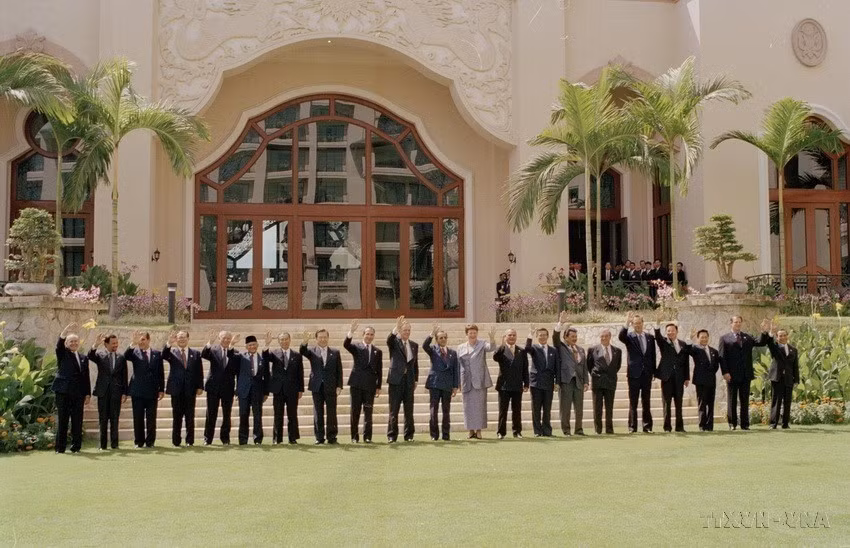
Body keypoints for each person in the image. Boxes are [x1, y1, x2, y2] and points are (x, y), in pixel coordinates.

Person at [718, 316, 769, 430]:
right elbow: (722, 357)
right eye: (736, 322)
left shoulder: (747, 337)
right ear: (731, 323)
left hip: (746, 374)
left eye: (740, 322)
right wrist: (725, 372)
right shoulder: (724, 338)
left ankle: (745, 424)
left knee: (745, 399)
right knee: (732, 400)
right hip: (731, 374)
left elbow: (760, 342)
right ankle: (732, 424)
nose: (738, 324)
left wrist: (764, 331)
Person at [300, 329, 343, 445]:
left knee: (332, 412)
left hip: (331, 386)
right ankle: (319, 437)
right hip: (316, 386)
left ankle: (332, 437)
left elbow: (339, 369)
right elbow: (302, 351)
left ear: (328, 338)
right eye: (320, 337)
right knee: (318, 412)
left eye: (325, 337)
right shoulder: (312, 352)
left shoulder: (335, 352)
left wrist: (339, 386)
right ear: (316, 339)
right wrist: (304, 342)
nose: (323, 339)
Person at [53, 323, 92, 453]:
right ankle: (60, 447)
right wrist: (64, 333)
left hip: (78, 393)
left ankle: (76, 447)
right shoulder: (63, 354)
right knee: (63, 420)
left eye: (76, 341)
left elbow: (86, 377)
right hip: (63, 392)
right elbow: (58, 346)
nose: (74, 343)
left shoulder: (83, 358)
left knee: (77, 421)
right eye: (71, 341)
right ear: (67, 343)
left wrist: (87, 394)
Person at [162, 330, 204, 447]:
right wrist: (169, 343)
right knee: (177, 417)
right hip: (176, 389)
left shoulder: (195, 353)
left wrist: (200, 386)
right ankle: (176, 441)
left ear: (188, 339)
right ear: (176, 339)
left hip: (190, 390)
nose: (181, 339)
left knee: (190, 417)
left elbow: (199, 371)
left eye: (184, 337)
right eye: (179, 337)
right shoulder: (172, 352)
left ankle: (189, 441)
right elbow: (163, 355)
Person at [343, 321, 383, 443]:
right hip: (356, 384)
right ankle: (354, 437)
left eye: (371, 334)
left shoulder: (378, 351)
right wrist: (351, 332)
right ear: (363, 334)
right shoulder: (356, 347)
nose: (369, 336)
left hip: (370, 386)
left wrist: (378, 386)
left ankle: (367, 437)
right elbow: (346, 345)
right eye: (367, 334)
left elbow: (379, 370)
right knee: (355, 411)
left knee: (368, 412)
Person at [125, 331, 165, 448]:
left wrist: (161, 389)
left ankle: (150, 442)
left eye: (143, 339)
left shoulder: (157, 354)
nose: (140, 342)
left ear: (148, 340)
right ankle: (139, 441)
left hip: (152, 391)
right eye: (139, 340)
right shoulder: (134, 353)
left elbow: (160, 372)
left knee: (151, 418)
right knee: (138, 418)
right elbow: (126, 356)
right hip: (137, 391)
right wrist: (132, 343)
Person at [262, 331, 304, 444]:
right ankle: (277, 439)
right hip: (278, 389)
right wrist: (266, 345)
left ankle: (293, 438)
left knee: (292, 415)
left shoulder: (297, 355)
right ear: (279, 341)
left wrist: (301, 389)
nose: (284, 341)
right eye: (282, 340)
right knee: (278, 415)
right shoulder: (274, 353)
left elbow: (300, 373)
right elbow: (264, 358)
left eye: (286, 339)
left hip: (292, 389)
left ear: (290, 340)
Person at [87, 333, 127, 450]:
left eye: (116, 343)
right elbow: (90, 355)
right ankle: (103, 445)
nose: (116, 345)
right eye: (113, 343)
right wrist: (95, 344)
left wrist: (124, 392)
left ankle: (115, 445)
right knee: (103, 419)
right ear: (106, 344)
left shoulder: (121, 357)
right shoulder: (100, 355)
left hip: (116, 392)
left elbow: (124, 376)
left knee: (115, 419)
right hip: (102, 392)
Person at [619, 311, 656, 433]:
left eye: (639, 323)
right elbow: (621, 337)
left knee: (646, 401)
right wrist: (626, 323)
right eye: (635, 324)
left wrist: (653, 372)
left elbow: (652, 356)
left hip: (646, 374)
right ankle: (632, 427)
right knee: (633, 402)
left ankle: (647, 426)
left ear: (643, 323)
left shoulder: (650, 338)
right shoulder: (629, 337)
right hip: (634, 374)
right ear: (632, 324)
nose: (637, 325)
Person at [456, 323, 495, 439]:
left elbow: (491, 348)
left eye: (474, 333)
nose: (472, 335)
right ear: (467, 334)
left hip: (480, 380)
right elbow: (458, 365)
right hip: (466, 380)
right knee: (467, 407)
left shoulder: (482, 344)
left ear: (477, 333)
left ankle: (478, 430)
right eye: (470, 333)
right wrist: (458, 383)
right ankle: (470, 430)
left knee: (480, 407)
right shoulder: (461, 347)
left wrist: (492, 339)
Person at [553, 311, 589, 436]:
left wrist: (586, 381)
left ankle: (579, 430)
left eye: (575, 336)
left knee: (579, 409)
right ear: (566, 337)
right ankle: (566, 430)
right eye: (572, 336)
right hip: (566, 381)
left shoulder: (580, 349)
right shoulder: (561, 347)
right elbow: (555, 337)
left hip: (578, 382)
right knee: (565, 408)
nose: (574, 338)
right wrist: (560, 323)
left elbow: (584, 367)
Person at [423, 324, 460, 441]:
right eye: (440, 338)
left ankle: (446, 434)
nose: (443, 339)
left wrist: (455, 386)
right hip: (435, 383)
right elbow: (424, 346)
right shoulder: (433, 350)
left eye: (445, 337)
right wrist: (430, 335)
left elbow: (455, 370)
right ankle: (434, 435)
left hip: (447, 385)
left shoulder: (453, 353)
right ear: (437, 340)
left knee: (446, 411)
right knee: (433, 410)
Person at [386, 316, 419, 443]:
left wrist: (415, 379)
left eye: (408, 330)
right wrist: (396, 328)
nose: (406, 332)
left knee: (409, 410)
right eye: (404, 330)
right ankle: (391, 435)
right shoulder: (395, 343)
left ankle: (409, 435)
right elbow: (389, 339)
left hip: (409, 381)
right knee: (393, 409)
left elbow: (415, 364)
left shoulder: (414, 345)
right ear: (400, 331)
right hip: (396, 380)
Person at [200, 330, 237, 445]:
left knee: (227, 414)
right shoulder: (213, 350)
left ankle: (225, 438)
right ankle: (208, 438)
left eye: (228, 338)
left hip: (228, 388)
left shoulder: (235, 352)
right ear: (220, 339)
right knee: (211, 414)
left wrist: (231, 347)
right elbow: (204, 355)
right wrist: (210, 342)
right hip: (213, 387)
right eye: (224, 338)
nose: (226, 340)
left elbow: (235, 366)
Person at [653, 323, 691, 432]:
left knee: (679, 403)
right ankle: (667, 427)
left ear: (677, 331)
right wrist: (657, 325)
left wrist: (686, 377)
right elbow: (657, 336)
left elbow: (686, 362)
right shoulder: (664, 342)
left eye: (672, 330)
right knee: (667, 403)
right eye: (668, 331)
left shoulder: (683, 344)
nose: (670, 332)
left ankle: (679, 427)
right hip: (667, 378)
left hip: (679, 378)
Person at [493, 328, 530, 439]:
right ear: (505, 337)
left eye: (514, 335)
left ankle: (517, 431)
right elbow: (495, 357)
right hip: (504, 385)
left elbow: (525, 368)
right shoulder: (502, 350)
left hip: (517, 385)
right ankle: (501, 432)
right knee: (503, 410)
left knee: (517, 410)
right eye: (509, 335)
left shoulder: (521, 351)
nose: (512, 337)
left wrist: (526, 383)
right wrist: (502, 346)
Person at [764, 323, 800, 429]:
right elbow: (769, 343)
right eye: (780, 335)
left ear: (787, 336)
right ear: (777, 337)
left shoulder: (793, 349)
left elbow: (795, 366)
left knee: (787, 402)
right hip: (777, 378)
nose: (782, 337)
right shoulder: (775, 347)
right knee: (776, 401)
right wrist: (771, 333)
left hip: (789, 379)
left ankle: (785, 424)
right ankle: (773, 423)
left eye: (784, 335)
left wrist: (796, 380)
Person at [685, 328, 722, 431]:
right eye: (702, 337)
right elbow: (687, 350)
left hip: (711, 380)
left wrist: (710, 373)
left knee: (711, 404)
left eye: (706, 337)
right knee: (702, 403)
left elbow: (716, 366)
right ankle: (702, 426)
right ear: (698, 338)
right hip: (700, 381)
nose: (704, 339)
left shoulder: (714, 351)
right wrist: (689, 338)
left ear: (708, 338)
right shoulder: (695, 349)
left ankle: (710, 426)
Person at [525, 325, 558, 437]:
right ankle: (537, 431)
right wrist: (530, 335)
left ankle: (547, 431)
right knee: (536, 409)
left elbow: (556, 367)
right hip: (536, 383)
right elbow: (527, 349)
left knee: (547, 409)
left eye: (544, 335)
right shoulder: (534, 348)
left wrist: (557, 382)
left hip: (549, 383)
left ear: (548, 336)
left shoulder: (553, 350)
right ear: (537, 337)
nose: (542, 337)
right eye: (540, 335)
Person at [587, 329, 621, 435]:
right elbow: (589, 365)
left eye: (606, 336)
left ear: (610, 337)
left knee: (609, 407)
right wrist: (595, 374)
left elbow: (617, 366)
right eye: (602, 336)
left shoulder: (617, 351)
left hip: (610, 381)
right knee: (597, 407)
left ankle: (609, 429)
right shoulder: (593, 350)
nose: (603, 338)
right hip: (598, 381)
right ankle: (598, 429)